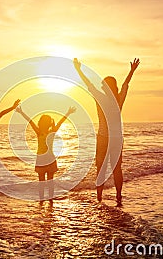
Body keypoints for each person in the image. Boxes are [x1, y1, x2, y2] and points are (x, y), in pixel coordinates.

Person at [74, 57, 140, 204]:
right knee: (117, 168)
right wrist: (131, 71)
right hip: (116, 138)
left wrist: (79, 70)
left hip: (103, 138)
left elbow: (89, 84)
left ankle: (99, 198)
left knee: (101, 168)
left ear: (106, 87)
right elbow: (125, 84)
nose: (102, 86)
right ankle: (118, 196)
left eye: (103, 85)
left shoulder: (101, 98)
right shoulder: (118, 99)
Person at [16, 106, 76, 201]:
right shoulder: (39, 132)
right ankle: (42, 200)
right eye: (43, 122)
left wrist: (68, 112)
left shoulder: (52, 131)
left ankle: (50, 200)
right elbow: (30, 121)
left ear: (47, 124)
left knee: (50, 181)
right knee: (42, 182)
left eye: (45, 122)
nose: (43, 124)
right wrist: (21, 112)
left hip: (49, 159)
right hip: (42, 159)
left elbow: (60, 122)